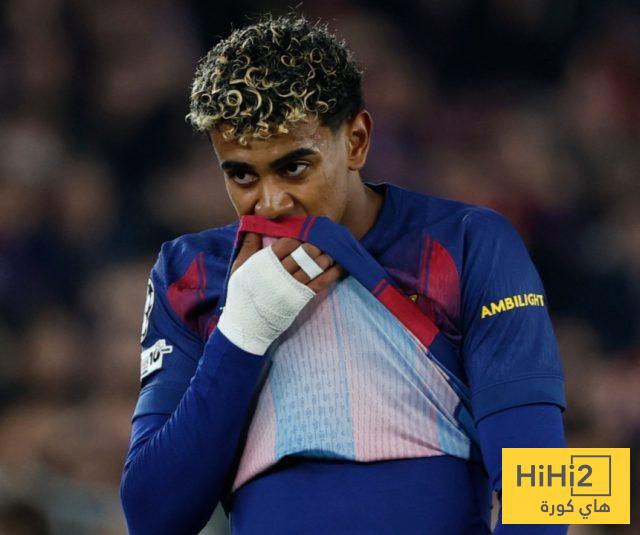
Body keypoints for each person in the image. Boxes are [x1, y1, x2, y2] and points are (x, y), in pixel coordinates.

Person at [120, 13, 568, 534]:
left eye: (294, 167)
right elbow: (150, 519)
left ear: (356, 140)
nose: (271, 202)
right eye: (241, 175)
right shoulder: (186, 270)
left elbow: (551, 487)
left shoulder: (472, 241)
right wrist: (241, 331)